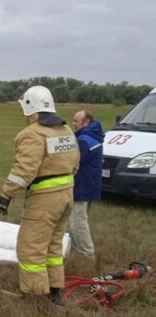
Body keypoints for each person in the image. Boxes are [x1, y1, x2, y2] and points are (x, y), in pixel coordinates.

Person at [0, 86, 79, 304]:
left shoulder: (32, 133)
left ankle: (34, 296)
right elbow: (75, 164)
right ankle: (54, 292)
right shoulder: (67, 130)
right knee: (53, 246)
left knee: (31, 248)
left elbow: (24, 170)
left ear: (30, 107)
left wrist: (6, 194)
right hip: (67, 195)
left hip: (44, 199)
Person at [70, 110, 103, 259]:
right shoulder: (94, 136)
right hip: (91, 185)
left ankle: (87, 253)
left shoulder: (83, 140)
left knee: (78, 222)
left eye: (76, 121)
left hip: (82, 186)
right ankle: (74, 248)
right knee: (77, 220)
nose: (73, 124)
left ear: (86, 122)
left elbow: (74, 164)